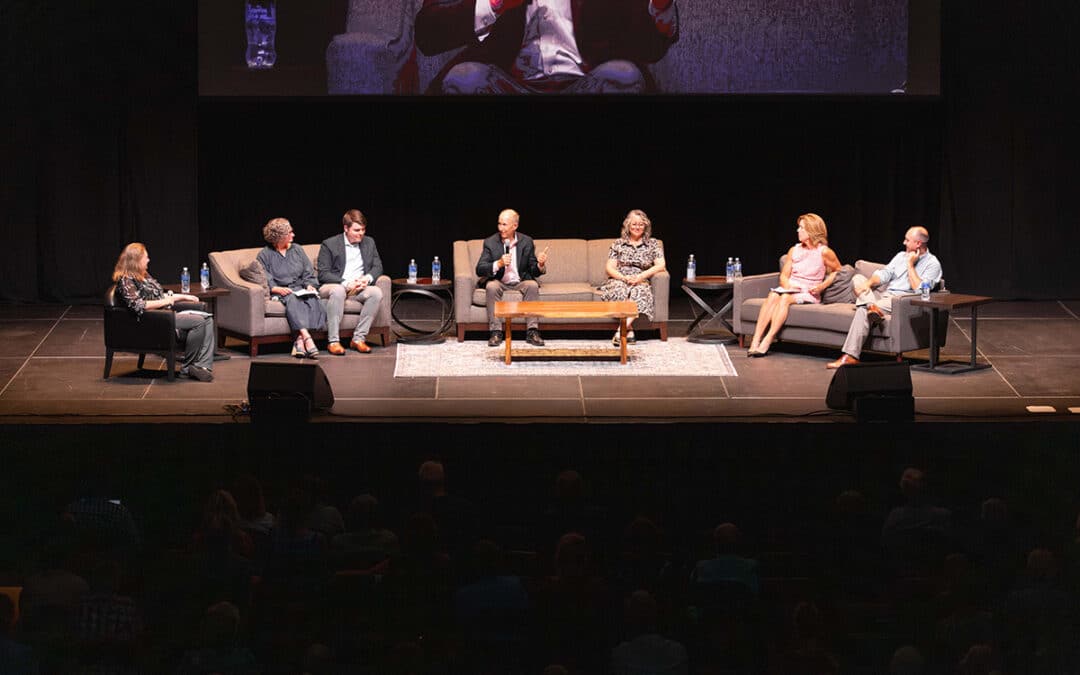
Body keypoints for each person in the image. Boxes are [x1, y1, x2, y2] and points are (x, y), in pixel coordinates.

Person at [415, 0, 679, 95]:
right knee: (463, 79)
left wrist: (660, 6)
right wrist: (493, 5)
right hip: (503, 83)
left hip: (586, 85)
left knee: (624, 76)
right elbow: (428, 34)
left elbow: (649, 49)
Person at [827, 226, 942, 368]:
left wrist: (910, 265)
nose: (904, 243)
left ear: (918, 244)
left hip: (900, 301)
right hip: (883, 296)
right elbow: (884, 274)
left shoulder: (932, 264)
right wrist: (867, 284)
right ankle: (871, 306)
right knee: (858, 278)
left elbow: (920, 289)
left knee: (862, 310)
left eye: (907, 240)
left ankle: (850, 356)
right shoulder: (900, 256)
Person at [112, 242, 215, 381]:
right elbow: (138, 305)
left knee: (208, 320)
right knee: (199, 322)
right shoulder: (126, 280)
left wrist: (184, 296)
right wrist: (166, 302)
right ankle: (187, 368)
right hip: (154, 319)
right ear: (136, 260)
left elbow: (161, 296)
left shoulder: (143, 275)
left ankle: (201, 367)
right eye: (146, 257)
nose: (148, 260)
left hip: (165, 314)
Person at [747, 213, 842, 356]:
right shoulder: (794, 250)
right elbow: (784, 275)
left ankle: (768, 339)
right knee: (773, 295)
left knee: (784, 299)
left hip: (808, 292)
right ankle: (755, 340)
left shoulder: (824, 252)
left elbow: (838, 271)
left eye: (801, 228)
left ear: (811, 231)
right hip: (791, 288)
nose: (798, 231)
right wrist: (787, 286)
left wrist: (823, 286)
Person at [257, 218, 327, 359]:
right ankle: (307, 337)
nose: (293, 235)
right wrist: (275, 288)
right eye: (290, 232)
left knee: (315, 301)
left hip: (300, 288)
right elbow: (266, 277)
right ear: (280, 236)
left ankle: (299, 342)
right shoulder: (265, 255)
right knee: (293, 300)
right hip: (283, 291)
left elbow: (308, 272)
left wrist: (309, 285)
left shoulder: (297, 249)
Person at [476, 209, 548, 346]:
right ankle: (496, 332)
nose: (500, 228)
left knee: (532, 285)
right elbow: (479, 269)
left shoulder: (526, 241)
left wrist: (540, 264)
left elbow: (533, 270)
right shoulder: (490, 242)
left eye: (504, 225)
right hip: (500, 281)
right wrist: (499, 263)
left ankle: (532, 331)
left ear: (515, 226)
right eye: (499, 224)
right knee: (491, 286)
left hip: (520, 281)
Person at [317, 209, 384, 354]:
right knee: (339, 290)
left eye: (363, 230)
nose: (361, 233)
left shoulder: (369, 242)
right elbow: (323, 274)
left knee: (376, 292)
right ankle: (333, 341)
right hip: (335, 285)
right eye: (357, 230)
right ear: (346, 228)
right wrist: (346, 283)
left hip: (358, 288)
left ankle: (358, 338)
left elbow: (377, 266)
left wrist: (367, 278)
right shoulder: (329, 244)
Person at [597, 209, 666, 345]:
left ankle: (620, 331)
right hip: (619, 278)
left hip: (640, 279)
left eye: (640, 224)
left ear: (645, 226)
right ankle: (629, 331)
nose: (637, 227)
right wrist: (624, 278)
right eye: (634, 224)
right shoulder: (618, 244)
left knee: (639, 291)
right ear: (628, 225)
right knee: (620, 290)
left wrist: (640, 276)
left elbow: (661, 265)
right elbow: (609, 268)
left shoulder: (653, 244)